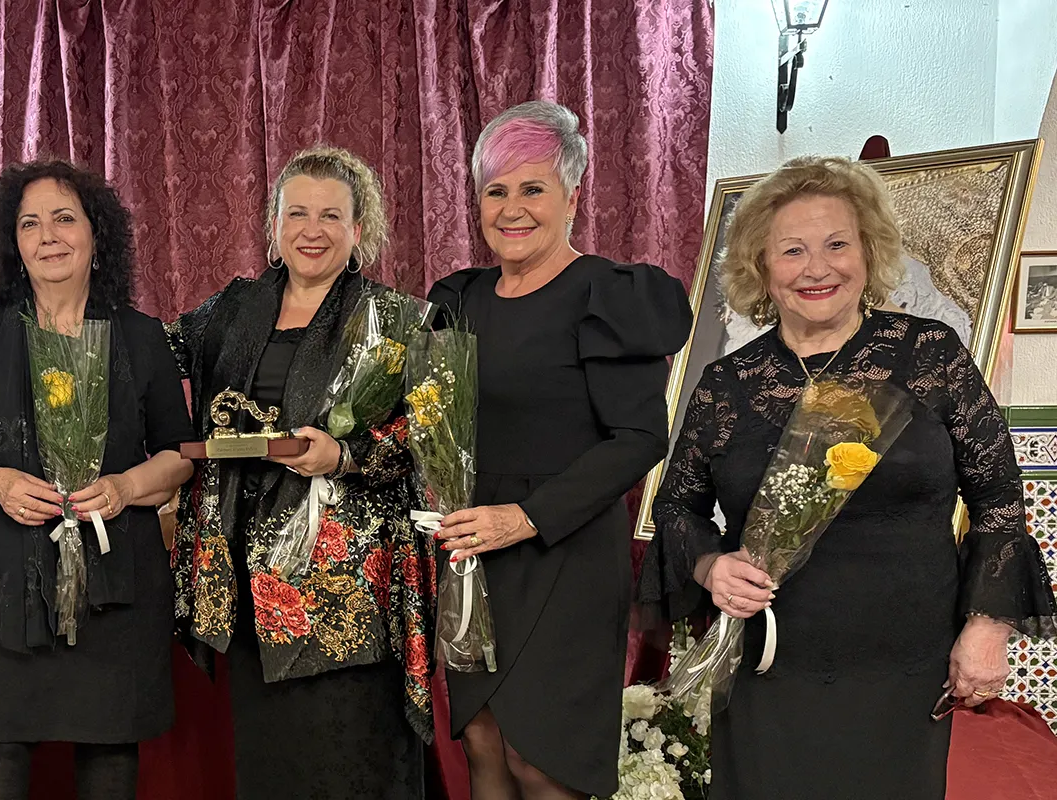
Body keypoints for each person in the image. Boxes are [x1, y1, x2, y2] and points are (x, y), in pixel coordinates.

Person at [639, 155, 1057, 799]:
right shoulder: (728, 385)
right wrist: (710, 568)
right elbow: (675, 511)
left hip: (906, 661)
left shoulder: (930, 354)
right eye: (792, 251)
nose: (817, 268)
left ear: (868, 252)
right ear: (760, 267)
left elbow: (998, 498)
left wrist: (985, 628)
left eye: (838, 244)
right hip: (773, 661)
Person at [427, 101, 692, 800]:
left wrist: (526, 518)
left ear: (573, 196)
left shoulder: (606, 295)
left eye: (533, 188)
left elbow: (640, 439)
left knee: (541, 764)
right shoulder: (459, 300)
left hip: (564, 556)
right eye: (496, 190)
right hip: (471, 555)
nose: (513, 209)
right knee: (483, 744)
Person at [170, 145, 436, 799]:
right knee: (273, 770)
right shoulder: (229, 309)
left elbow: (430, 445)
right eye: (296, 214)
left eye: (330, 216)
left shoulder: (397, 319)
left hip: (346, 595)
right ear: (274, 224)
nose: (310, 230)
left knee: (353, 766)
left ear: (358, 230)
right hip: (246, 580)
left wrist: (343, 456)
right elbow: (148, 359)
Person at [0, 159, 194, 800]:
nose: (48, 236)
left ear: (95, 233)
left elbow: (181, 454)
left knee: (107, 747)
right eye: (30, 223)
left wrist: (127, 487)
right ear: (11, 242)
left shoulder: (139, 333)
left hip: (113, 574)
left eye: (64, 219)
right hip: (2, 578)